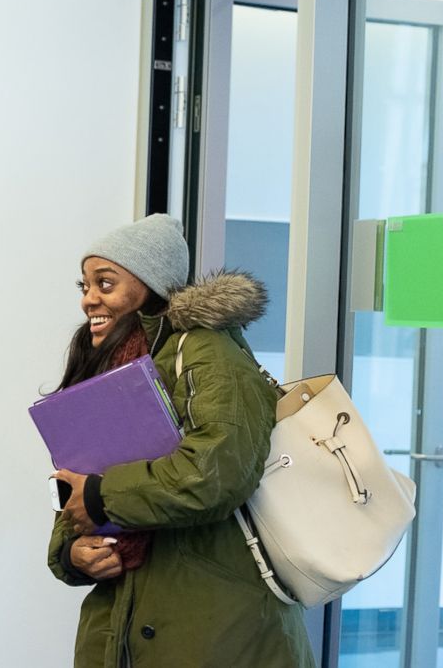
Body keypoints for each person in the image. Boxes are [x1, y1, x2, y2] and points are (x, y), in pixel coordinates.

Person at [47, 214, 314, 667]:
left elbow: (218, 472)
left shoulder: (209, 352)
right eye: (85, 286)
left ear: (149, 286)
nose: (89, 299)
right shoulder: (112, 368)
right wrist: (71, 554)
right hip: (125, 629)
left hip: (218, 634)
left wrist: (102, 495)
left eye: (105, 283)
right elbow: (77, 489)